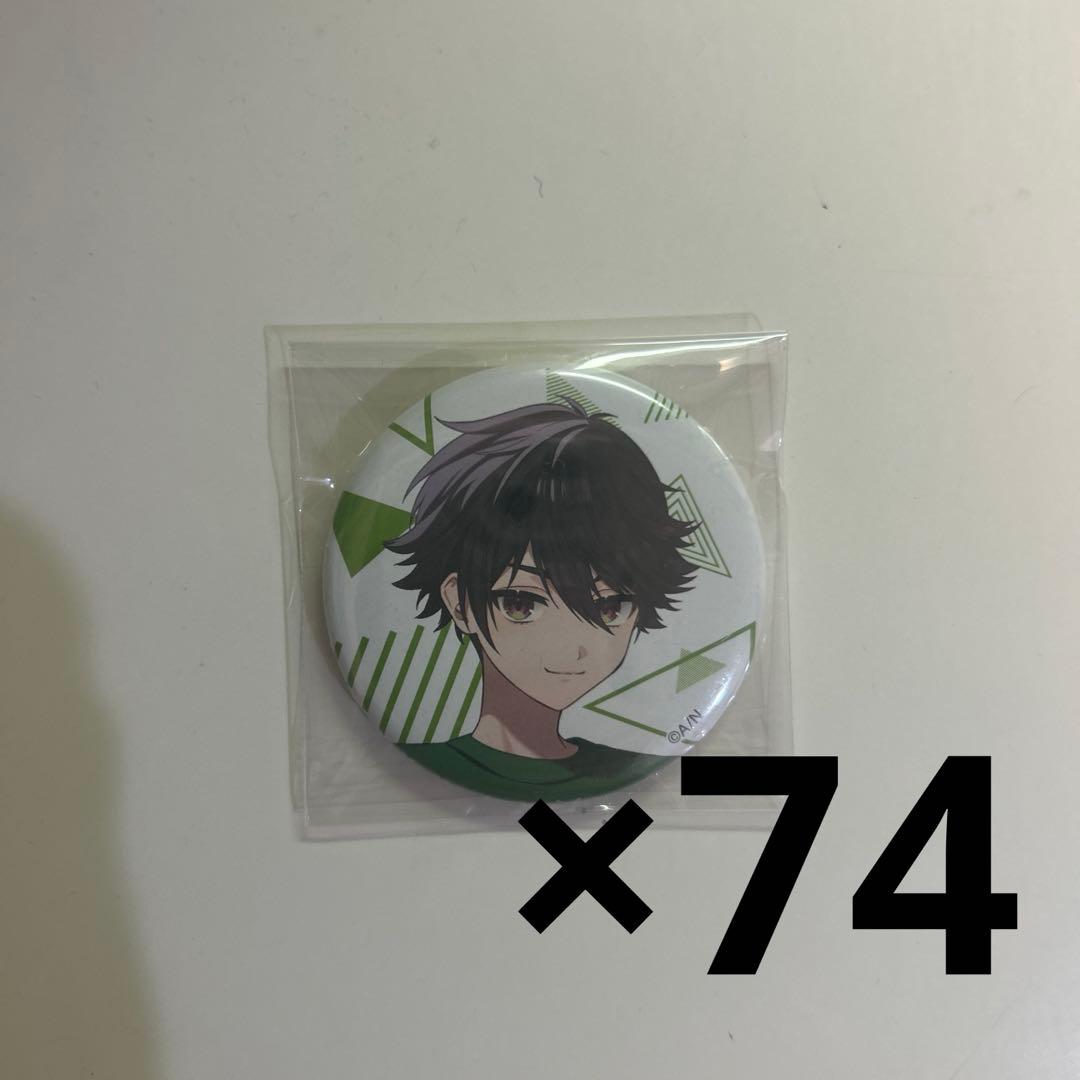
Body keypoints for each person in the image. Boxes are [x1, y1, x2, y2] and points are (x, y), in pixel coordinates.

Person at [384, 398, 699, 800]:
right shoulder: (412, 768)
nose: (572, 648)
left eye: (608, 607)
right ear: (459, 602)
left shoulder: (636, 765)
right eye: (522, 604)